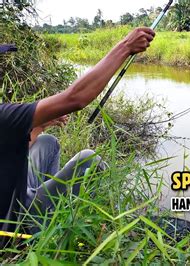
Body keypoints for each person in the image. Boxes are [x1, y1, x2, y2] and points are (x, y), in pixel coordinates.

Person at [0, 27, 155, 246]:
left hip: (14, 196)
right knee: (88, 158)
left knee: (46, 142)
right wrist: (126, 46)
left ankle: (53, 211)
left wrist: (40, 126)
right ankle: (106, 224)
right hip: (16, 224)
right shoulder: (3, 115)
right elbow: (75, 98)